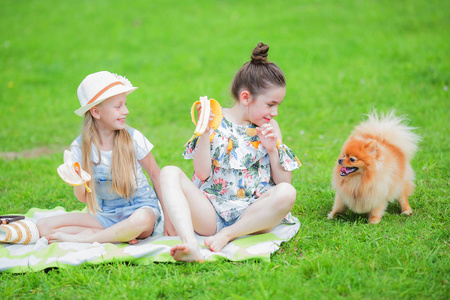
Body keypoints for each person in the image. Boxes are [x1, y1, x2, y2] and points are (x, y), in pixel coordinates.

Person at [160, 43, 301, 262]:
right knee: (168, 172)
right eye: (270, 104)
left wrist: (273, 150)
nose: (275, 112)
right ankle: (190, 244)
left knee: (287, 193)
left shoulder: (270, 127)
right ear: (246, 98)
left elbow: (285, 182)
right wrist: (205, 133)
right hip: (211, 215)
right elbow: (202, 173)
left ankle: (229, 234)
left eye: (277, 105)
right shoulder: (215, 120)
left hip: (253, 216)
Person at [37, 71, 164, 244]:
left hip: (139, 208)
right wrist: (76, 181)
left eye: (125, 104)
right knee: (43, 226)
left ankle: (89, 238)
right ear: (96, 112)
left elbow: (156, 176)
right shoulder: (81, 147)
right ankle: (119, 234)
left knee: (141, 220)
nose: (126, 111)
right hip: (105, 214)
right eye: (118, 106)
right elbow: (84, 198)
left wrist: (169, 221)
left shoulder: (134, 138)